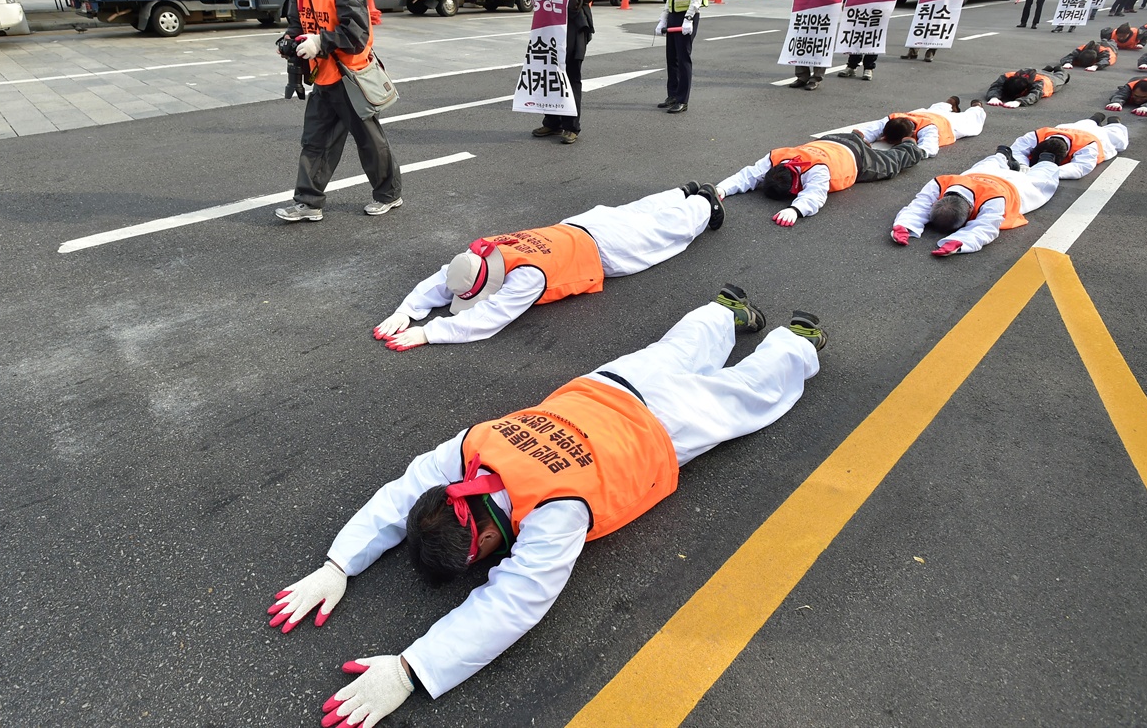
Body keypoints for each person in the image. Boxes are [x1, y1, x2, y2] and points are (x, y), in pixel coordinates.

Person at [267, 291, 826, 728]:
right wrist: (337, 566)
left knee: (744, 396)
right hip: (608, 385)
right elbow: (405, 490)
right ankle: (722, 312)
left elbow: (515, 603)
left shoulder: (555, 511)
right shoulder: (473, 446)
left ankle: (797, 343)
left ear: (485, 545)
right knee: (675, 352)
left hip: (663, 426)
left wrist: (411, 671)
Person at [372, 183, 727, 350]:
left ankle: (703, 201)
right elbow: (446, 278)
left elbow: (491, 317)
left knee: (665, 232)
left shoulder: (526, 277)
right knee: (634, 212)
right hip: (579, 225)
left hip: (604, 249)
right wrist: (409, 309)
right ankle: (681, 191)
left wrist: (427, 332)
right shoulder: (481, 251)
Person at [271, 0, 402, 223]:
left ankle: (389, 194)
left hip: (351, 78)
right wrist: (289, 40)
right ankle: (308, 202)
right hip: (323, 78)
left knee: (370, 141)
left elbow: (357, 36)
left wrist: (321, 42)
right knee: (315, 141)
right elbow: (296, 23)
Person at [716, 131, 926, 226]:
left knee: (891, 164)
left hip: (855, 156)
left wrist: (795, 210)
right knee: (860, 144)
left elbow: (815, 195)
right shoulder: (777, 157)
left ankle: (910, 145)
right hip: (831, 140)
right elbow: (749, 175)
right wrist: (722, 189)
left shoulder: (817, 171)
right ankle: (858, 136)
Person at [890, 150, 1061, 256]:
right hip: (980, 175)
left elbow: (987, 226)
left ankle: (1046, 161)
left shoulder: (994, 200)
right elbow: (919, 206)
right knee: (988, 164)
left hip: (1015, 185)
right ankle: (1002, 156)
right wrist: (904, 225)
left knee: (1041, 182)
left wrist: (961, 242)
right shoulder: (941, 182)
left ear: (971, 209)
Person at [531, 0, 598, 145]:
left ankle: (571, 126)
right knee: (550, 70)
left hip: (574, 23)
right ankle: (552, 122)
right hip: (550, 23)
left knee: (570, 73)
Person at [853, 96, 986, 158]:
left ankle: (976, 106)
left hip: (946, 122)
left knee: (971, 121)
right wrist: (861, 138)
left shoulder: (929, 129)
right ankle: (949, 104)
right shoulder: (892, 118)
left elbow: (929, 148)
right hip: (924, 114)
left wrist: (916, 151)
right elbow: (871, 129)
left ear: (909, 136)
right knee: (936, 109)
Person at [1007, 112, 1129, 180]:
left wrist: (1047, 171)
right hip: (1070, 127)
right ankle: (1095, 118)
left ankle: (1114, 122)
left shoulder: (1088, 146)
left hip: (1098, 135)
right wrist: (1022, 164)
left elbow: (1080, 168)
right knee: (1085, 123)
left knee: (1119, 139)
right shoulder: (1036, 135)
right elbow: (1016, 149)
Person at [985, 67, 1068, 108]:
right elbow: (996, 86)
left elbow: (1035, 94)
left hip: (1049, 79)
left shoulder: (1040, 83)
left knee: (1062, 77)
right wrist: (993, 97)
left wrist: (1019, 102)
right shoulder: (1007, 76)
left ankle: (1058, 68)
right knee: (1034, 70)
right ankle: (1045, 69)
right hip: (1032, 72)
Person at [1045, 39, 1118, 72]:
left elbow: (1105, 60)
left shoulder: (1104, 52)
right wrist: (1067, 63)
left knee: (1110, 42)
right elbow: (1070, 56)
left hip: (1111, 47)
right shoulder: (1080, 49)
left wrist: (1096, 66)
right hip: (1095, 47)